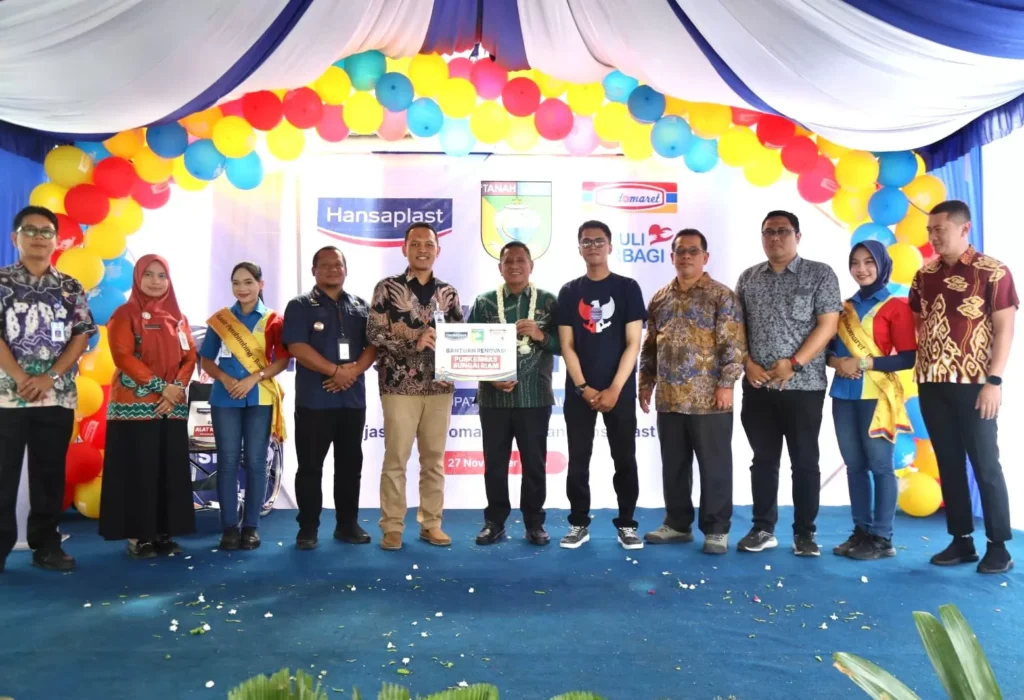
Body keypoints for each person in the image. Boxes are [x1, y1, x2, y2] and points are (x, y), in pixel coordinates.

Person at [910, 200, 1018, 574]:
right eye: (929, 230)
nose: (933, 236)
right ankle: (961, 540)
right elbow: (919, 323)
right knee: (949, 460)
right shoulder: (924, 275)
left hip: (976, 385)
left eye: (939, 229)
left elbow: (1005, 330)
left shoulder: (993, 272)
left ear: (964, 228)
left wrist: (994, 381)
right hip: (932, 383)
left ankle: (998, 546)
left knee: (985, 462)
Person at [734, 211, 842, 556]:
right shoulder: (749, 278)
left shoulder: (820, 273)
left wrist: (794, 364)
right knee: (763, 461)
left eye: (782, 231)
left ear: (798, 236)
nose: (775, 238)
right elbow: (737, 328)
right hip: (759, 387)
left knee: (805, 462)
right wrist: (747, 363)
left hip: (804, 387)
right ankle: (762, 528)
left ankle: (805, 534)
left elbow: (828, 325)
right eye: (768, 232)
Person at [0, 206, 95, 573]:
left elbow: (81, 336)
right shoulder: (2, 282)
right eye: (30, 230)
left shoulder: (70, 287)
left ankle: (46, 546)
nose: (39, 237)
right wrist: (20, 377)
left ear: (56, 241)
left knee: (50, 475)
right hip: (7, 398)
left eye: (46, 232)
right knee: (3, 475)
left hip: (56, 396)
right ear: (15, 238)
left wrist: (49, 377)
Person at [639, 229, 746, 555]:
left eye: (693, 251)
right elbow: (650, 345)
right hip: (669, 398)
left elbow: (733, 346)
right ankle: (677, 524)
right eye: (680, 251)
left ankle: (716, 530)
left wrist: (726, 384)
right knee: (674, 465)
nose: (686, 256)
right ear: (671, 256)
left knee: (715, 466)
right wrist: (645, 382)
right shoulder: (659, 298)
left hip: (709, 399)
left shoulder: (721, 296)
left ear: (705, 257)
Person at [368, 223, 464, 551]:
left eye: (429, 244)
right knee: (396, 458)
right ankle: (392, 526)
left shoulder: (449, 293)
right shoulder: (387, 288)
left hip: (440, 386)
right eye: (416, 243)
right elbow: (374, 333)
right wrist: (414, 342)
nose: (423, 249)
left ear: (438, 250)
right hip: (399, 385)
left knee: (434, 459)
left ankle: (431, 523)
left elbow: (460, 336)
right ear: (404, 248)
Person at [99, 255, 197, 558]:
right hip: (135, 407)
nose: (156, 281)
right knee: (138, 470)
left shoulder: (178, 318)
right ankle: (139, 536)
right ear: (137, 278)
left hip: (171, 408)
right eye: (149, 275)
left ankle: (164, 532)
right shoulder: (124, 313)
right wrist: (161, 388)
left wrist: (175, 388)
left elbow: (190, 357)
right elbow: (122, 356)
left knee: (169, 470)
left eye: (162, 275)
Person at [557, 220, 646, 550]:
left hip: (619, 390)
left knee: (625, 458)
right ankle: (578, 523)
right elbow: (566, 345)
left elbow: (633, 343)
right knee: (578, 460)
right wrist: (583, 387)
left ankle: (627, 524)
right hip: (580, 391)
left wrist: (615, 388)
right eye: (586, 241)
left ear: (610, 246)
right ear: (579, 248)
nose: (592, 246)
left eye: (598, 241)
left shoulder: (627, 288)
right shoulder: (569, 291)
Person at [826, 241, 916, 560]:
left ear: (882, 265)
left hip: (877, 396)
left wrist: (863, 363)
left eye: (868, 262)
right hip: (843, 394)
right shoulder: (843, 308)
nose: (861, 269)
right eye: (855, 262)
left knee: (880, 467)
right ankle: (861, 531)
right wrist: (838, 362)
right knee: (855, 467)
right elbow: (829, 351)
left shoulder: (896, 307)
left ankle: (882, 538)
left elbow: (907, 357)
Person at [467, 241, 560, 546]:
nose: (515, 266)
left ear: (531, 266)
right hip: (493, 399)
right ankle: (494, 522)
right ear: (500, 268)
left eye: (521, 260)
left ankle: (534, 523)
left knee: (534, 463)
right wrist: (490, 377)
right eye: (509, 261)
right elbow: (468, 349)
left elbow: (565, 346)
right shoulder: (484, 302)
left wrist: (540, 334)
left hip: (534, 398)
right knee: (495, 463)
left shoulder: (549, 302)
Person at [283, 246, 376, 550]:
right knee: (310, 467)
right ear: (314, 271)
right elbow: (297, 347)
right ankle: (308, 528)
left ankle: (347, 525)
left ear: (346, 269)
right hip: (315, 402)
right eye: (324, 265)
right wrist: (335, 371)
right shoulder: (299, 305)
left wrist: (353, 372)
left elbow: (373, 346)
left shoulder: (361, 306)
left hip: (352, 401)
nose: (332, 269)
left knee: (350, 466)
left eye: (338, 264)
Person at [199, 262, 290, 551]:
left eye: (249, 282)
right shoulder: (221, 320)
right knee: (227, 462)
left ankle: (251, 527)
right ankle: (229, 527)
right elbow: (206, 360)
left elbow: (282, 360)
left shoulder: (274, 320)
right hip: (225, 397)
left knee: (256, 462)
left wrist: (254, 378)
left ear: (260, 284)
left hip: (259, 396)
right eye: (236, 283)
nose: (242, 288)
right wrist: (226, 379)